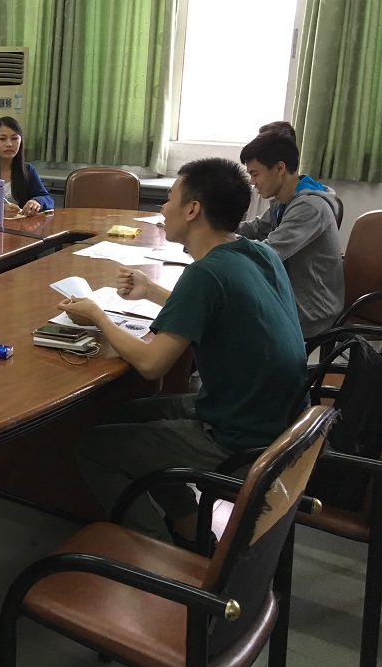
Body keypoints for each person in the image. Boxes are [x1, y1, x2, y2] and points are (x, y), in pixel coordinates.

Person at [58, 158, 307, 547]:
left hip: (239, 438)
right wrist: (152, 291)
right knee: (125, 414)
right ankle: (191, 529)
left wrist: (96, 316)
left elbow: (151, 364)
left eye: (170, 197)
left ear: (192, 210)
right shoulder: (259, 254)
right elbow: (218, 309)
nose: (163, 207)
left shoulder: (204, 273)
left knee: (93, 448)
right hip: (276, 419)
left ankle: (155, 552)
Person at [236, 126, 343, 338]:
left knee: (228, 317)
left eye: (255, 174)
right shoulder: (284, 200)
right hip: (290, 296)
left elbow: (268, 253)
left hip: (312, 312)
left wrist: (219, 243)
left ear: (279, 168)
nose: (252, 182)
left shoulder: (310, 206)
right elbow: (254, 229)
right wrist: (213, 228)